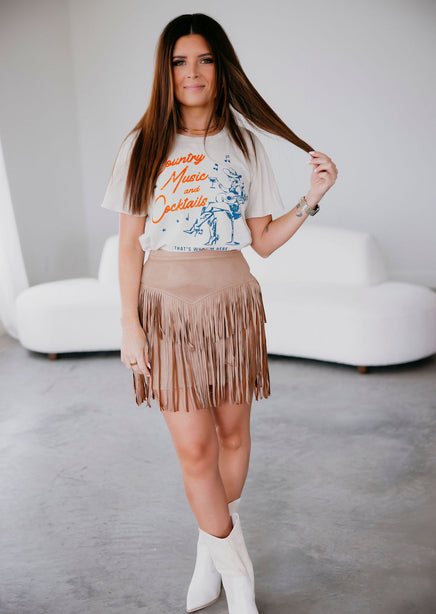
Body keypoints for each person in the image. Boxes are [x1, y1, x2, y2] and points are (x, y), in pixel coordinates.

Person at [101, 13, 337, 614]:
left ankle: (210, 550)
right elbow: (128, 247)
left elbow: (262, 241)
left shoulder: (246, 144)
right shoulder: (142, 144)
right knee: (196, 451)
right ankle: (239, 578)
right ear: (166, 71)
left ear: (220, 66)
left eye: (204, 59)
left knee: (233, 436)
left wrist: (311, 199)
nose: (192, 72)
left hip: (233, 306)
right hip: (166, 311)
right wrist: (129, 325)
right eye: (179, 61)